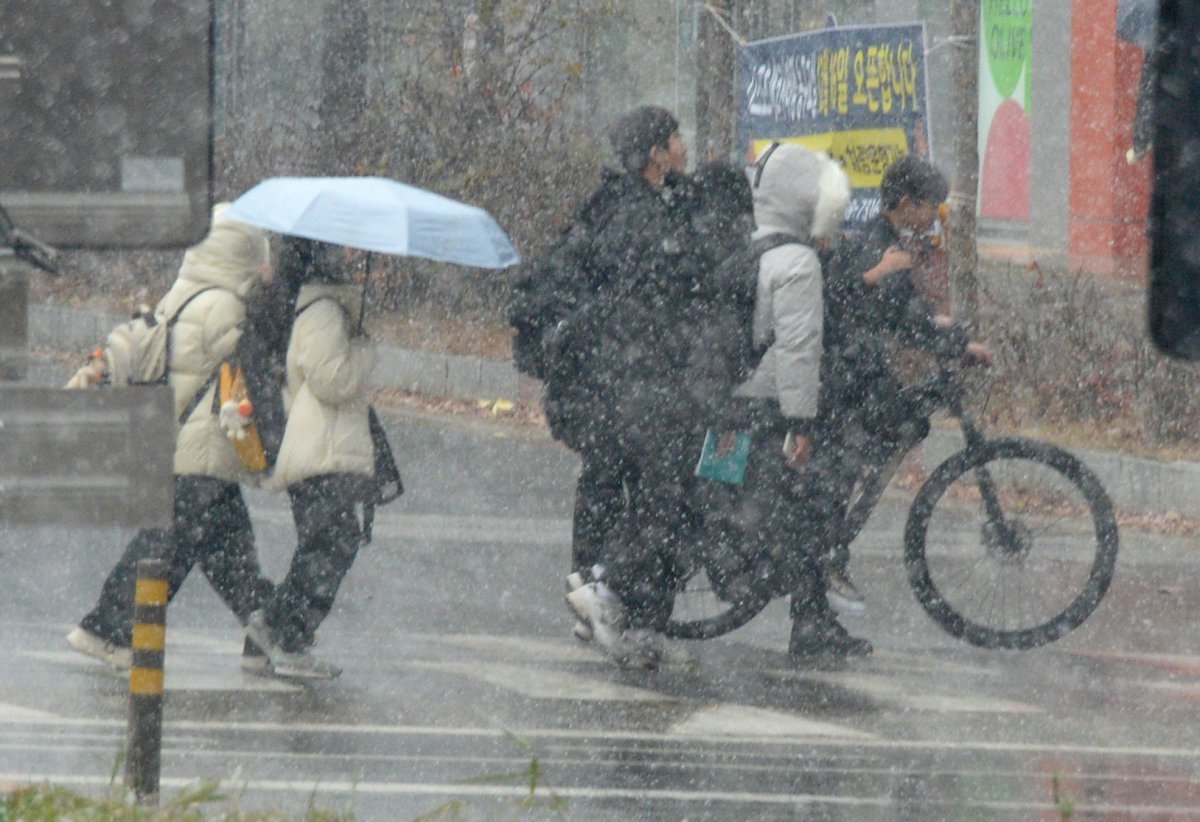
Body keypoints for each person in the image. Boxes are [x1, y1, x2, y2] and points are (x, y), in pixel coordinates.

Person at [65, 204, 277, 673]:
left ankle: (266, 628)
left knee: (227, 548)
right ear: (241, 253)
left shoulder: (181, 294)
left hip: (181, 443)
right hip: (201, 448)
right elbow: (247, 368)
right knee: (164, 549)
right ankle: (106, 629)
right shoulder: (226, 305)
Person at [816, 154, 991, 614]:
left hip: (858, 371)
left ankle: (825, 568)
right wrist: (951, 340)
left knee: (884, 438)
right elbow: (856, 304)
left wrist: (951, 335)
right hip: (844, 377)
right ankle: (826, 554)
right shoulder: (879, 247)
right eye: (933, 206)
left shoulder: (888, 243)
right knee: (846, 462)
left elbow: (906, 313)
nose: (936, 216)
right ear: (908, 203)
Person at [563, 104, 705, 669]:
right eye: (676, 139)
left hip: (613, 379)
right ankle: (614, 606)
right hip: (637, 381)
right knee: (656, 502)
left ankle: (602, 606)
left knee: (610, 489)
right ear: (654, 153)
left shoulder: (616, 204)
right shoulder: (640, 216)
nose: (684, 149)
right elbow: (645, 301)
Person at [724, 142, 874, 660]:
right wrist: (802, 423)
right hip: (769, 408)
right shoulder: (799, 263)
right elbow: (798, 352)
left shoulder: (745, 248)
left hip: (728, 404)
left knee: (718, 496)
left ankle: (716, 569)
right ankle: (810, 617)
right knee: (811, 505)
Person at [242, 236, 376, 680]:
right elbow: (332, 380)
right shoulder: (321, 310)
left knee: (325, 542)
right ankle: (289, 636)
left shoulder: (320, 305)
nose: (350, 259)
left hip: (326, 447)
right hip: (324, 449)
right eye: (342, 251)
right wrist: (365, 352)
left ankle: (275, 624)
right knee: (332, 543)